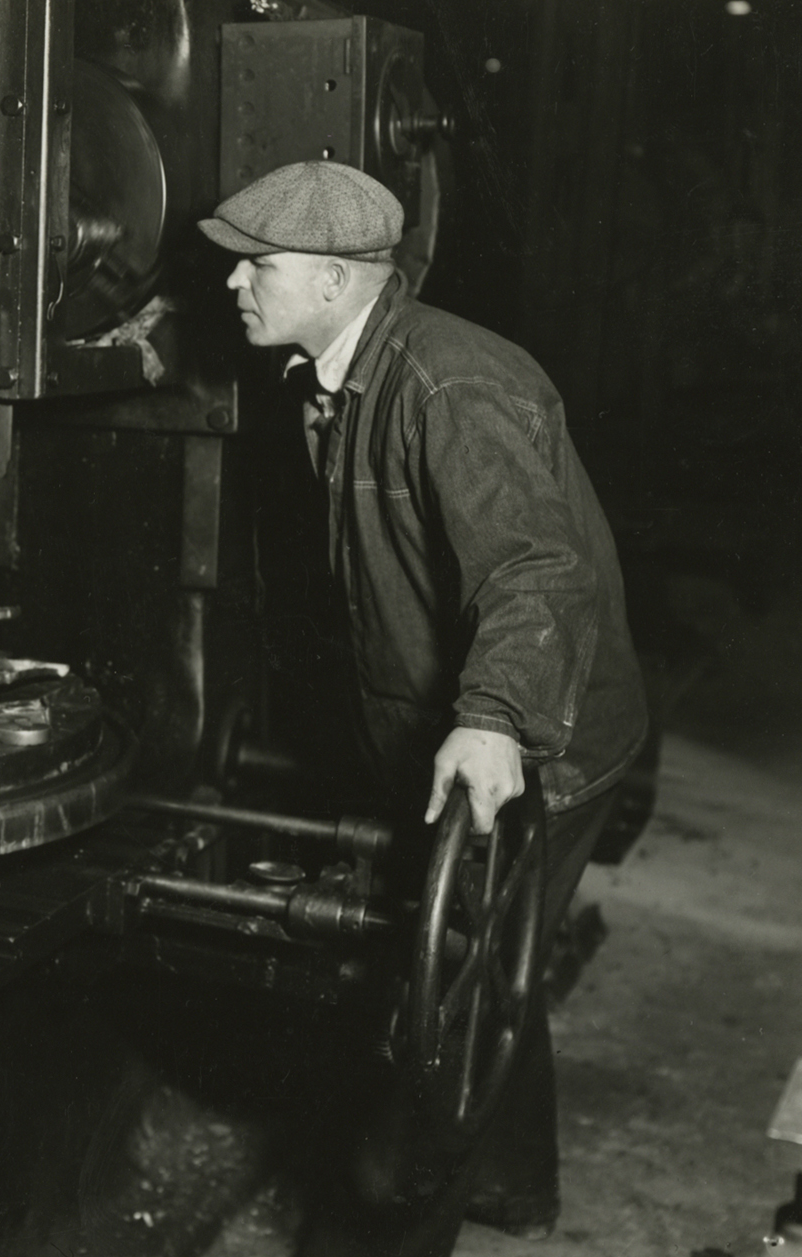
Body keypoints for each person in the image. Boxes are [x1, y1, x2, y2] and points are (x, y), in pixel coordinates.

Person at [198, 161, 649, 1252]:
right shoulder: (341, 374)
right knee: (499, 961)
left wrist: (495, 719)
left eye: (259, 264)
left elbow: (537, 570)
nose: (233, 284)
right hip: (459, 722)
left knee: (442, 1007)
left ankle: (406, 1227)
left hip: (546, 736)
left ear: (343, 279)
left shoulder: (451, 384)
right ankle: (521, 1187)